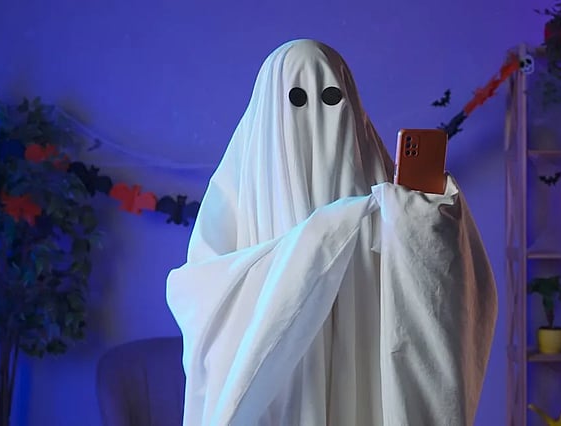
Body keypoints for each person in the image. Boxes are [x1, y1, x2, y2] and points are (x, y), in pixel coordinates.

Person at [166, 39, 497, 426]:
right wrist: (321, 238)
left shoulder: (385, 191)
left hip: (364, 365)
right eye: (296, 99)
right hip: (286, 392)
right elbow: (202, 297)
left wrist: (426, 216)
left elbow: (436, 278)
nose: (317, 116)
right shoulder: (236, 192)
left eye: (331, 97)